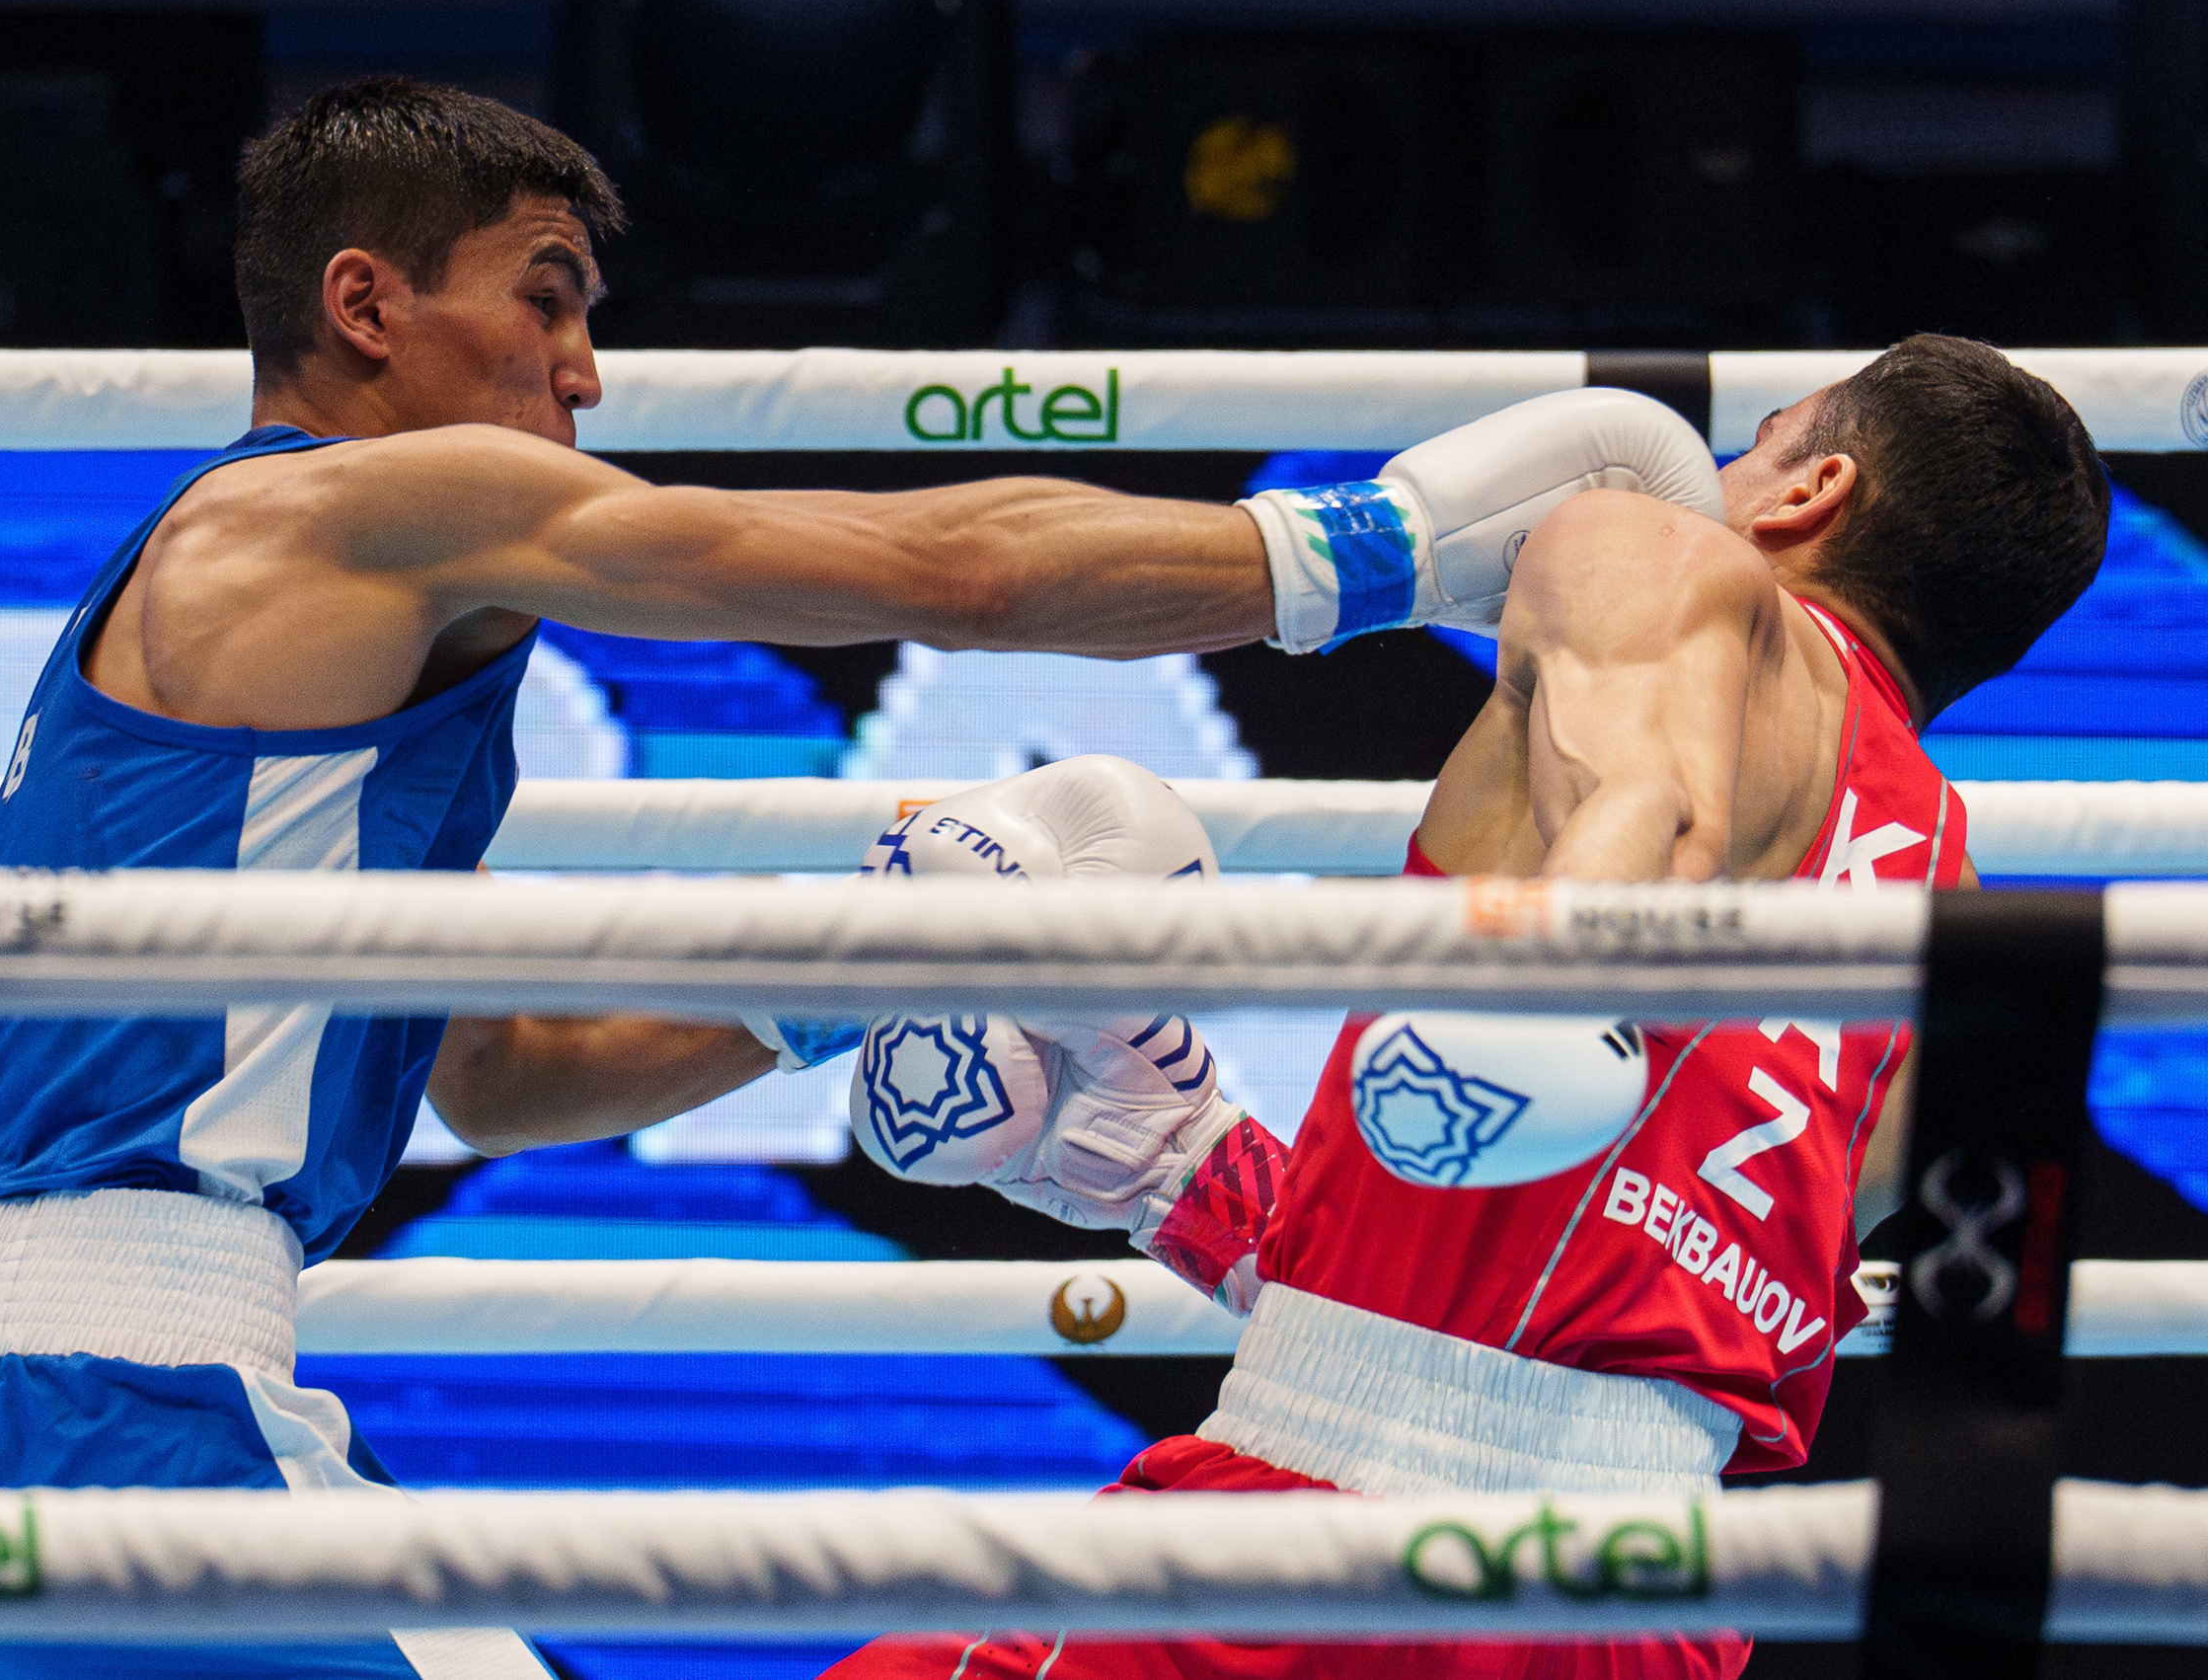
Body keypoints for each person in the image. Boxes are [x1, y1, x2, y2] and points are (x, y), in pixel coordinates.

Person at [0, 77, 1721, 1680]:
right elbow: (951, 574)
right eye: (545, 296)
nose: (584, 365)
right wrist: (1357, 557)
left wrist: (854, 977)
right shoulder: (347, 510)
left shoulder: (291, 635)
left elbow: (494, 1072)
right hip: (130, 1398)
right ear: (367, 304)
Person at [819, 333, 2111, 1680]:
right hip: (1655, 1611)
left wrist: (1558, 962)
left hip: (1335, 1559)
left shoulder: (1657, 559)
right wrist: (1184, 1166)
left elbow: (1646, 828)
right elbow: (1615, 1319)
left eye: (1758, 443)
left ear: (1811, 491)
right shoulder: (1947, 910)